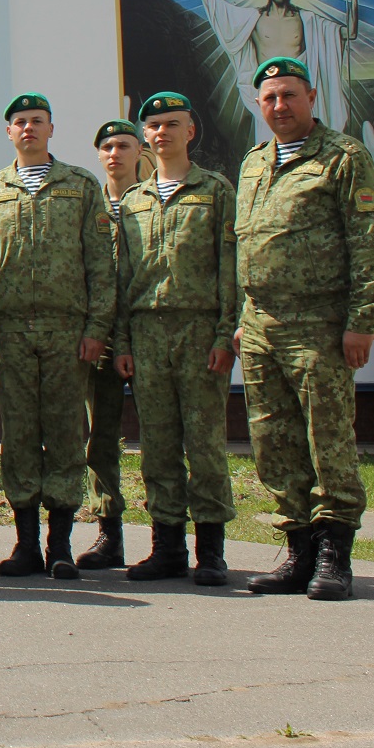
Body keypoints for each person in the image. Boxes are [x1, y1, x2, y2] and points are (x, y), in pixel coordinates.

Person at [234, 57, 374, 602]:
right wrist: (241, 318)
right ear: (260, 105)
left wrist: (361, 323)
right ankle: (298, 551)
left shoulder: (342, 157)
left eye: (289, 95)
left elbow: (369, 242)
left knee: (328, 440)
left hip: (319, 325)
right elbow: (246, 245)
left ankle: (334, 556)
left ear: (311, 97)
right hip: (260, 325)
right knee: (272, 440)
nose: (280, 105)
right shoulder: (253, 163)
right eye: (270, 97)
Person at [0, 94, 115, 580]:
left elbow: (100, 261)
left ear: (52, 129)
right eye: (19, 122)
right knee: (21, 436)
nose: (28, 128)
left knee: (67, 434)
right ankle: (26, 542)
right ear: (9, 132)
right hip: (9, 333)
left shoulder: (80, 185)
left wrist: (97, 328)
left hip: (65, 332)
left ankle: (61, 545)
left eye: (36, 121)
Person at [113, 92, 240, 585]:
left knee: (205, 442)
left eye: (172, 123)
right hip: (147, 334)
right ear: (145, 135)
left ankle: (210, 550)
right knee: (159, 444)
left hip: (199, 330)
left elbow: (230, 268)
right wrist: (122, 342)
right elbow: (123, 277)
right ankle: (166, 545)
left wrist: (226, 333)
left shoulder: (215, 191)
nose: (162, 132)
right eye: (154, 125)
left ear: (191, 131)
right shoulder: (134, 202)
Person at [182, 0, 358, 142]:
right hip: (269, 100)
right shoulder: (255, 19)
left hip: (298, 98)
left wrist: (353, 2)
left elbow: (349, 34)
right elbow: (219, 9)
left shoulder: (307, 20)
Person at [78, 119, 142, 571]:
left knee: (164, 437)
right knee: (100, 438)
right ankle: (109, 532)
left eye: (123, 145)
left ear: (139, 151)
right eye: (106, 147)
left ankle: (171, 538)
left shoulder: (156, 199)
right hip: (99, 336)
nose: (114, 153)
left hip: (150, 333)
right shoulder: (88, 203)